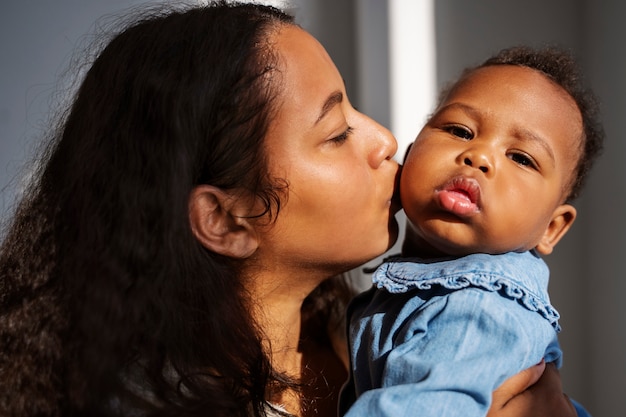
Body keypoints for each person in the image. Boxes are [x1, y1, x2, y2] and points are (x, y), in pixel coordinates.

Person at [0, 1, 582, 416]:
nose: (385, 140)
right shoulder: (148, 400)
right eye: (336, 133)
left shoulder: (397, 329)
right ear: (227, 219)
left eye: (356, 111)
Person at [339, 46, 603, 417]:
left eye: (521, 157)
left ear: (551, 227)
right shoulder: (425, 290)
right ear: (412, 153)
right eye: (460, 131)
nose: (479, 156)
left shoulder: (475, 308)